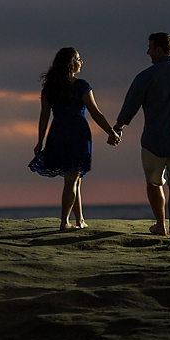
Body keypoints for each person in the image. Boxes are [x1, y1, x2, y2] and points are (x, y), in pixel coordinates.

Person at [113, 33, 170, 240]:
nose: (148, 52)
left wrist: (118, 127)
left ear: (159, 49)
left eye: (150, 48)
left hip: (154, 139)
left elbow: (131, 105)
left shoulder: (146, 76)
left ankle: (160, 224)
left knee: (154, 183)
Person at [31, 47, 121, 231]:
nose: (81, 62)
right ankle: (64, 222)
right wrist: (110, 132)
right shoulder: (81, 85)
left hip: (58, 132)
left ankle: (79, 219)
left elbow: (44, 116)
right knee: (72, 178)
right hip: (77, 133)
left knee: (75, 176)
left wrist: (40, 141)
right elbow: (95, 112)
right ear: (71, 63)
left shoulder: (50, 88)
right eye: (79, 59)